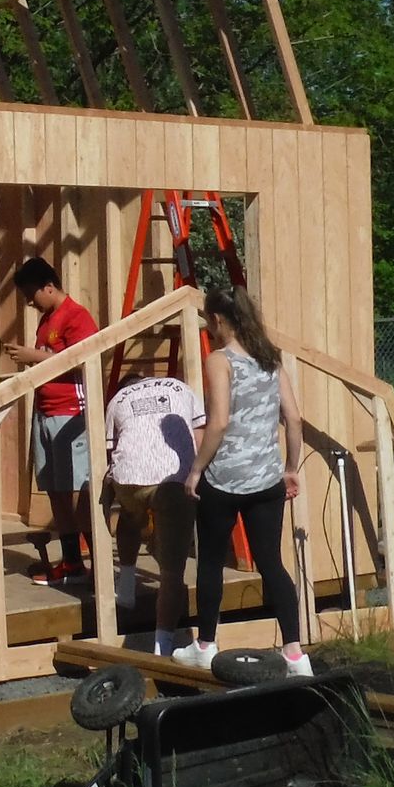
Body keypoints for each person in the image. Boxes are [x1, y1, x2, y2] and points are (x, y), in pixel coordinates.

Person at [175, 287, 313, 676]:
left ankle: (205, 644)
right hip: (267, 479)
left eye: (207, 320)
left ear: (218, 320)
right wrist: (291, 467)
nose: (208, 326)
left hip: (224, 479)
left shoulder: (220, 360)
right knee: (271, 563)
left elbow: (217, 421)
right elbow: (295, 419)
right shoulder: (270, 358)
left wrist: (197, 469)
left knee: (212, 563)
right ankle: (295, 655)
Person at [3, 256, 97, 583]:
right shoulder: (47, 320)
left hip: (71, 414)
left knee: (79, 491)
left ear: (49, 286)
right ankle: (72, 562)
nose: (30, 301)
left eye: (32, 293)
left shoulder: (77, 316)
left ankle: (95, 564)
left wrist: (33, 357)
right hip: (45, 412)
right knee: (56, 490)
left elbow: (83, 358)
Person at [103, 369, 206, 655]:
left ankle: (125, 583)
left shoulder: (117, 399)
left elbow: (113, 453)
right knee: (172, 573)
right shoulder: (180, 387)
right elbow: (200, 439)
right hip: (176, 482)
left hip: (131, 481)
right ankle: (163, 645)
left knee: (127, 509)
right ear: (146, 378)